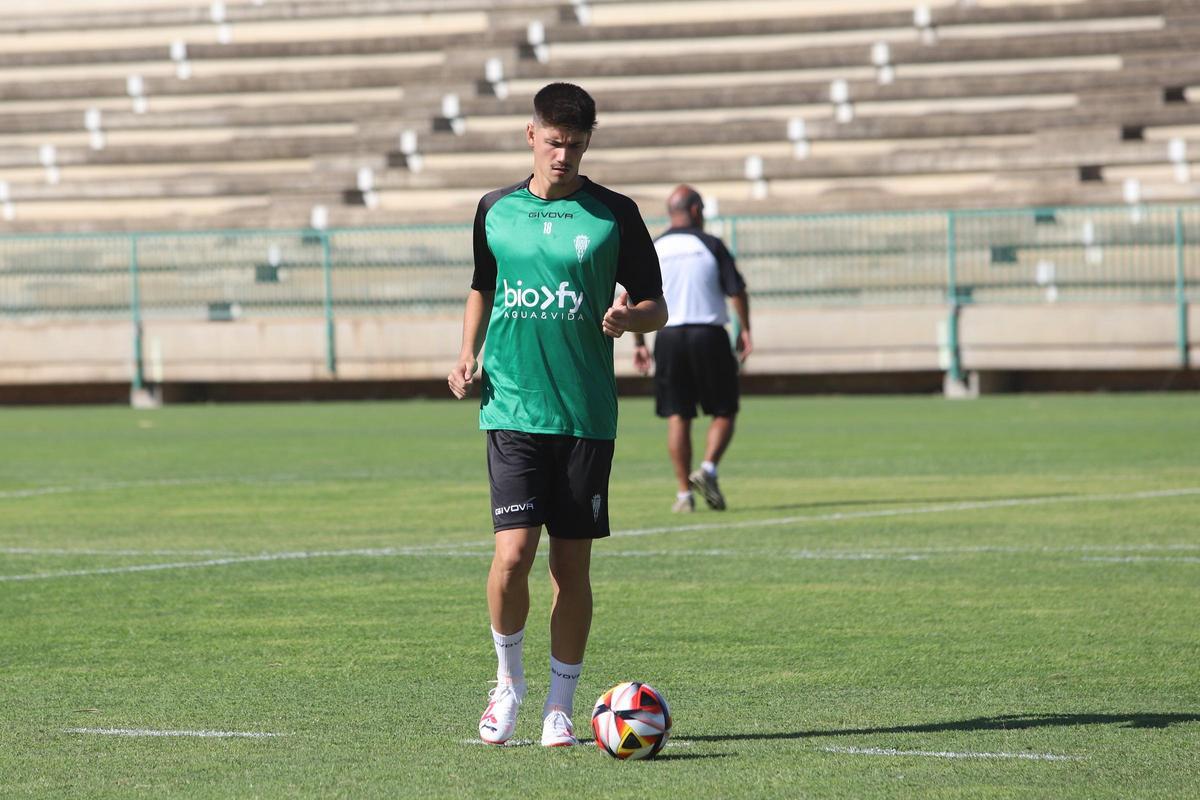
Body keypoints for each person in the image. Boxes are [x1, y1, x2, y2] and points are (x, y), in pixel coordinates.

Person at [447, 83, 667, 748]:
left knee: (570, 570)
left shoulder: (613, 215)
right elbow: (483, 285)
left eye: (574, 144)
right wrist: (466, 355)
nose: (562, 154)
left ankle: (560, 705)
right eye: (552, 142)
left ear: (588, 142)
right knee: (512, 556)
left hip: (585, 415)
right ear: (530, 136)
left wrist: (631, 319)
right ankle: (507, 684)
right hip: (512, 406)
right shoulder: (494, 210)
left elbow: (658, 304)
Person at [632, 185, 751, 513]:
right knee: (725, 410)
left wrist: (640, 343)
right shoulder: (710, 244)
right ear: (696, 210)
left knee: (677, 415)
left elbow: (633, 298)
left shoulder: (654, 247)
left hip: (667, 337)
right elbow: (736, 290)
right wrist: (745, 330)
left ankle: (684, 494)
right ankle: (708, 468)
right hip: (708, 333)